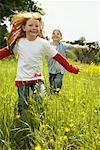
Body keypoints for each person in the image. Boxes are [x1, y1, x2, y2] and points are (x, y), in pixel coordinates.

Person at [0, 12, 79, 115]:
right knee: (23, 103)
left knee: (41, 97)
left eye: (37, 26)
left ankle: (40, 116)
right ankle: (21, 118)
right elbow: (5, 52)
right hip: (22, 78)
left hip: (37, 78)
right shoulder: (19, 43)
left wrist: (71, 68)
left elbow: (58, 57)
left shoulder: (43, 43)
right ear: (24, 27)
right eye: (31, 25)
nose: (34, 28)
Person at [46, 29, 88, 94]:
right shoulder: (48, 45)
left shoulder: (63, 46)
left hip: (60, 69)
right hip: (51, 69)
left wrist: (83, 47)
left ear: (61, 37)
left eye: (58, 34)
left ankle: (57, 92)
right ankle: (52, 94)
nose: (55, 35)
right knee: (51, 83)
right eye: (54, 33)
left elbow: (74, 46)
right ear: (51, 36)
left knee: (57, 81)